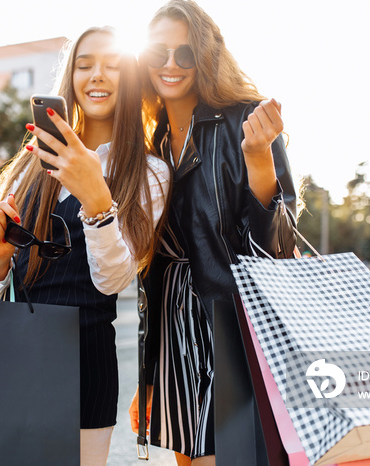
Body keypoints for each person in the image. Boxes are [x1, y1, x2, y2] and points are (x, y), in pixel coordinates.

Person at [0, 27, 170, 465]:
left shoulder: (149, 172)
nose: (97, 76)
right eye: (85, 65)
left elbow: (115, 279)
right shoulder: (30, 162)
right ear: (70, 77)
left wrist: (97, 198)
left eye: (113, 66)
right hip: (13, 354)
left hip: (84, 363)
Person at [128, 1, 298, 465]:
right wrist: (147, 378)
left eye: (184, 54)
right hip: (172, 333)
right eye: (158, 52)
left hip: (231, 325)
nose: (170, 64)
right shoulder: (152, 142)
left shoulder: (246, 120)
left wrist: (259, 158)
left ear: (204, 56)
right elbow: (152, 266)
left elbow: (278, 249)